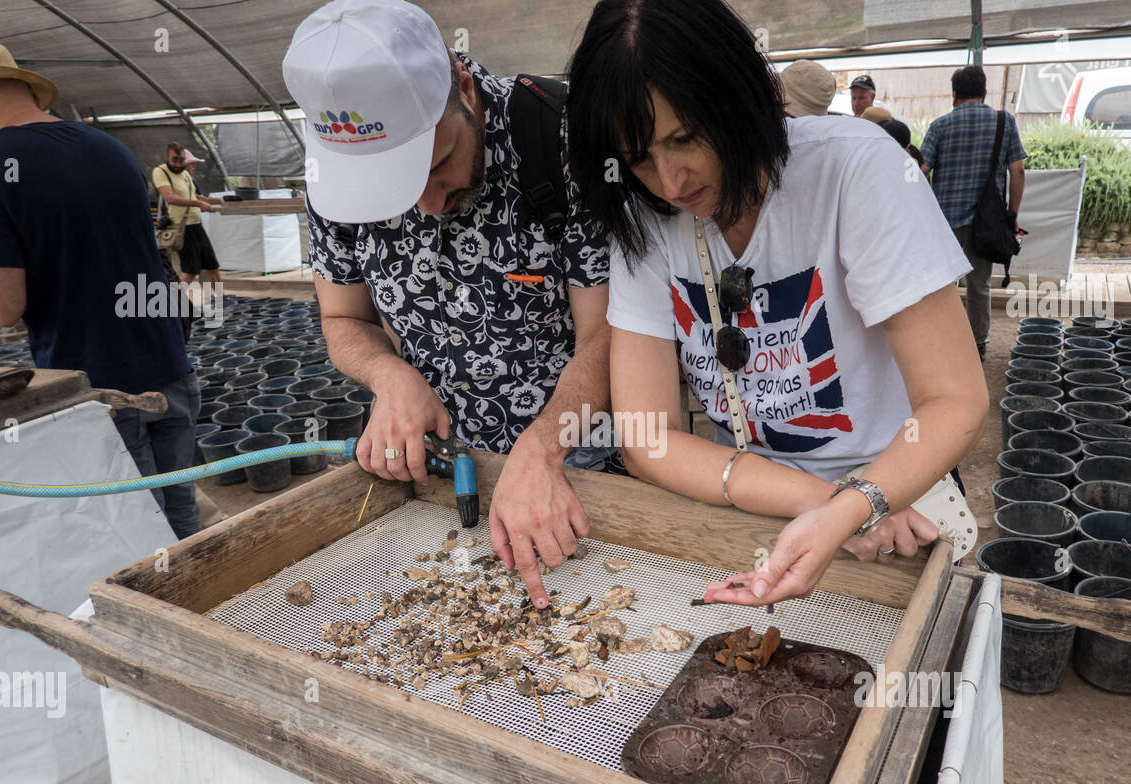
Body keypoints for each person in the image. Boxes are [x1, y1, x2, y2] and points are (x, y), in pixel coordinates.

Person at [565, 0, 988, 606]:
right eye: (638, 159)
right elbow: (646, 438)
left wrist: (862, 500)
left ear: (740, 97)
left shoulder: (856, 170)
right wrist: (823, 503)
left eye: (684, 139)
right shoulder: (645, 219)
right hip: (768, 511)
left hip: (902, 509)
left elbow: (957, 400)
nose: (671, 182)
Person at [282, 0, 614, 611]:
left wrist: (543, 449)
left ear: (461, 84)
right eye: (395, 193)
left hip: (578, 471)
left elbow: (609, 334)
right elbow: (342, 318)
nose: (430, 206)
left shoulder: (561, 137)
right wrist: (390, 376)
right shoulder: (328, 177)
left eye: (438, 166)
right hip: (437, 471)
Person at [0, 42, 200, 538]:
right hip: (169, 365)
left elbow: (2, 307)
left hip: (100, 385)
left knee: (138, 535)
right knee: (182, 518)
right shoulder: (108, 147)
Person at [920, 66, 1026, 361]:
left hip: (944, 222)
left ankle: (942, 343)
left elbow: (921, 170)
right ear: (985, 92)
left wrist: (929, 207)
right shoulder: (1004, 122)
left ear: (954, 95)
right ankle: (976, 345)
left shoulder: (940, 125)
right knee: (979, 286)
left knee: (941, 287)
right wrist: (1011, 213)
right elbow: (1017, 169)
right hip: (986, 223)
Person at [152, 141, 223, 291]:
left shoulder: (184, 173)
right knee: (190, 270)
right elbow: (170, 198)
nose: (178, 164)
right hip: (183, 227)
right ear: (167, 157)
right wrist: (199, 205)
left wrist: (214, 201)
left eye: (181, 160)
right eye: (175, 160)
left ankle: (221, 304)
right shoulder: (161, 172)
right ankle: (174, 303)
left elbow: (194, 195)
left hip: (196, 225)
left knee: (212, 266)